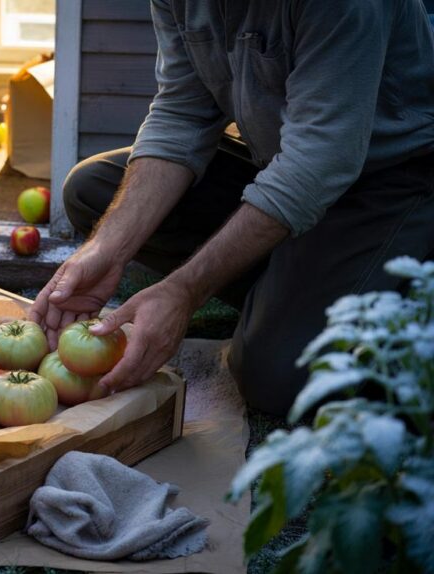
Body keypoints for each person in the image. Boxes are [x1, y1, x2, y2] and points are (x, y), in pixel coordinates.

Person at [31, 0, 434, 416]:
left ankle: (385, 290)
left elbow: (316, 164)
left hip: (387, 180)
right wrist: (107, 250)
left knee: (278, 379)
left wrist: (185, 290)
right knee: (92, 190)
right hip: (278, 158)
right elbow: (182, 112)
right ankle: (295, 289)